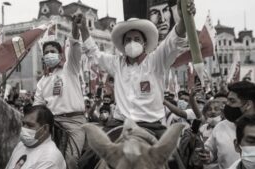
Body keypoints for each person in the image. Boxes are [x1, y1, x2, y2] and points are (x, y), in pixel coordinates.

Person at [78, 0, 194, 135]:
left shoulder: (156, 60)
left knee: (174, 156)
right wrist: (83, 29)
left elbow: (173, 41)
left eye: (137, 39)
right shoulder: (116, 63)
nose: (132, 42)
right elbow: (94, 53)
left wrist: (183, 19)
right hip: (119, 124)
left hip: (151, 126)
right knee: (90, 155)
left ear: (144, 43)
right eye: (128, 39)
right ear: (123, 44)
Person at [33, 16, 86, 168]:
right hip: (52, 124)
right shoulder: (42, 81)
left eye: (52, 51)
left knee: (70, 161)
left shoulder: (71, 68)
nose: (49, 54)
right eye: (46, 52)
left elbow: (75, 44)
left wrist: (76, 27)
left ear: (61, 54)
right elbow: (38, 108)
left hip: (75, 123)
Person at [197, 81, 255, 169]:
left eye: (232, 101)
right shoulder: (220, 127)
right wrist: (207, 156)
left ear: (247, 104)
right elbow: (210, 152)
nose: (226, 105)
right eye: (227, 100)